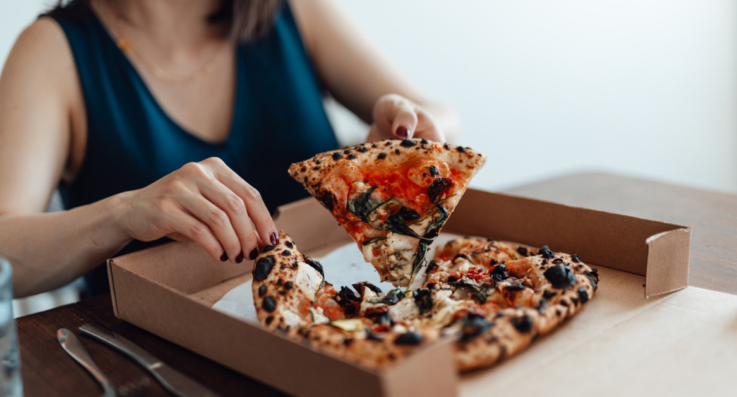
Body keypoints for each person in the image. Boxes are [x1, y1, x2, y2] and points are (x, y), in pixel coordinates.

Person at [0, 0, 459, 298]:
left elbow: (441, 117)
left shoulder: (294, 9)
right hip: (152, 354)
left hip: (342, 312)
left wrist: (409, 133)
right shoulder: (51, 51)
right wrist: (125, 212)